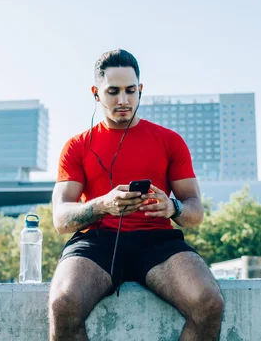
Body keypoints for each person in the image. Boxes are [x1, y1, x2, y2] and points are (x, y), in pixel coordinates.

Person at [48, 49, 225, 341]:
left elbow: (196, 212)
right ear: (96, 93)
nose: (123, 100)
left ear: (140, 90)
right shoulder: (76, 147)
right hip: (97, 243)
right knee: (62, 304)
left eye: (130, 91)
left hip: (157, 242)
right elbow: (61, 220)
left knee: (209, 302)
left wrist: (173, 207)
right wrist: (102, 205)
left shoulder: (170, 141)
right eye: (113, 91)